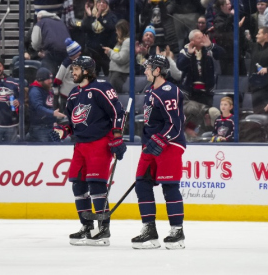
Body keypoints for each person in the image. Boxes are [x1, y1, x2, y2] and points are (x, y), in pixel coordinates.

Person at [50, 56, 126, 246]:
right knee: (78, 185)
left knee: (96, 184)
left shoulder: (102, 88)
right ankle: (87, 227)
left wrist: (117, 137)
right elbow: (72, 122)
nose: (72, 72)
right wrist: (63, 130)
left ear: (86, 71)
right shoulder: (74, 94)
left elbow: (118, 111)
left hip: (99, 143)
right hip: (80, 145)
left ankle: (103, 230)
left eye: (75, 69)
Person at [131, 55, 186, 250]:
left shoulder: (169, 91)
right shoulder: (150, 91)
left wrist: (160, 139)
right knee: (142, 184)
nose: (145, 71)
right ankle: (150, 231)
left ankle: (177, 232)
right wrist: (148, 144)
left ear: (158, 71)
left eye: (148, 68)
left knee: (169, 187)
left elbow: (175, 125)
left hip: (170, 144)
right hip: (151, 145)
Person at [177, 29, 226, 107]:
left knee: (206, 115)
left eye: (203, 37)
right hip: (189, 91)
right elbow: (180, 66)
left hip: (207, 92)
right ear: (192, 41)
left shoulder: (208, 50)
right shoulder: (184, 51)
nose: (202, 40)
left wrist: (211, 45)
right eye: (199, 38)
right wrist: (189, 54)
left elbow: (222, 54)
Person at [27, 67, 66, 142]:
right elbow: (38, 108)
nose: (51, 81)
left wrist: (54, 120)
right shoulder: (35, 91)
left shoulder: (47, 88)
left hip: (49, 126)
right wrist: (53, 113)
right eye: (48, 79)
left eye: (51, 78)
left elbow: (49, 105)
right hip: (40, 128)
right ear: (40, 80)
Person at [82, 0, 117, 76]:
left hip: (105, 51)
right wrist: (89, 16)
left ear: (107, 5)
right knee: (92, 75)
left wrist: (100, 18)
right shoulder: (91, 15)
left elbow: (111, 27)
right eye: (99, 2)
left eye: (104, 2)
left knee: (108, 74)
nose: (101, 4)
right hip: (92, 51)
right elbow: (84, 28)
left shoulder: (111, 16)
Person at [31, 10, 71, 75]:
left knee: (48, 72)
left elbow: (35, 43)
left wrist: (38, 50)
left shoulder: (40, 23)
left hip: (51, 52)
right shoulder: (61, 22)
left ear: (38, 18)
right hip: (67, 51)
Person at [53, 38, 81, 113]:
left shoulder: (80, 62)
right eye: (78, 52)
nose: (80, 53)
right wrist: (56, 89)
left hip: (77, 93)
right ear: (74, 54)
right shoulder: (66, 64)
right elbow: (58, 78)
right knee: (65, 113)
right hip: (66, 95)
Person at [103, 19, 130, 94]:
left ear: (123, 30)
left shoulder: (127, 41)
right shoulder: (121, 42)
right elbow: (116, 56)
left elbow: (121, 58)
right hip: (114, 73)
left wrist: (110, 52)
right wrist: (109, 53)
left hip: (119, 74)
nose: (116, 32)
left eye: (118, 30)